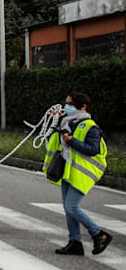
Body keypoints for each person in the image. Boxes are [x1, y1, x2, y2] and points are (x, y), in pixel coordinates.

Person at [46, 92, 113, 256]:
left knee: (72, 207)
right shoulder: (68, 123)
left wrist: (71, 141)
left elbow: (93, 150)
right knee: (68, 209)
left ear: (82, 107)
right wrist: (57, 121)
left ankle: (98, 234)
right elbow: (53, 142)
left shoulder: (91, 127)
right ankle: (75, 242)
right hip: (68, 171)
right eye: (66, 103)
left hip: (83, 174)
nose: (66, 107)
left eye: (71, 104)